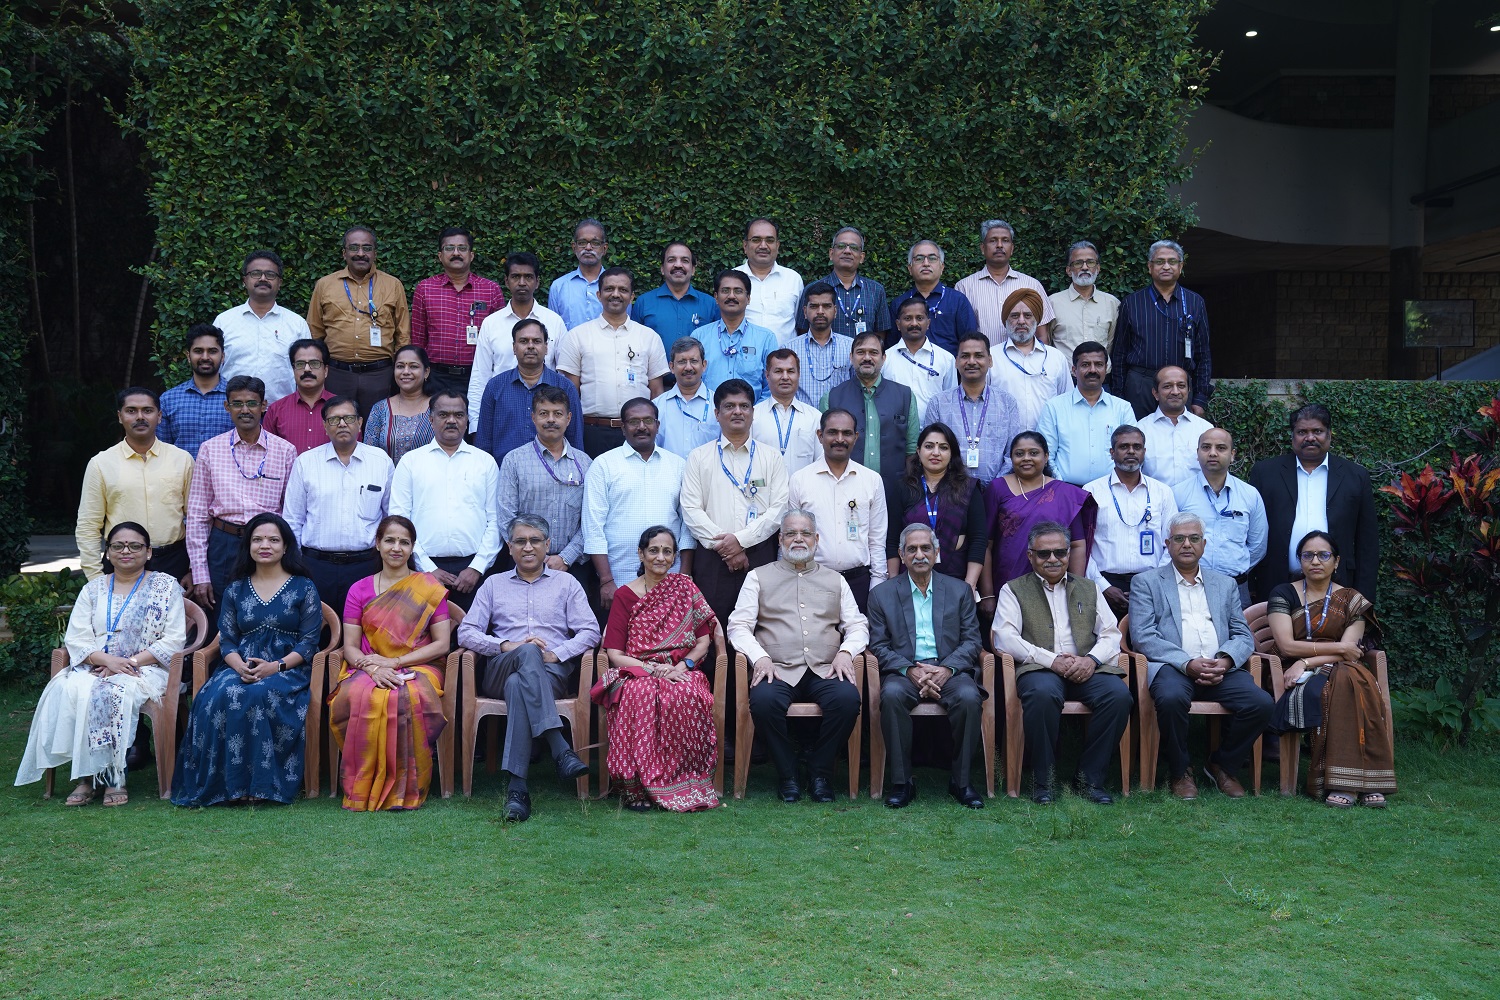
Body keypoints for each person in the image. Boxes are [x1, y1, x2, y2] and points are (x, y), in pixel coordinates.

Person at [15, 522, 187, 806]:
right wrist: (107, 660)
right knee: (71, 690)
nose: (126, 551)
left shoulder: (166, 586)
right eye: (117, 546)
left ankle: (112, 778)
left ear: (149, 552)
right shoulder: (93, 590)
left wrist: (125, 663)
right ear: (108, 553)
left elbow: (173, 640)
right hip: (95, 665)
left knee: (114, 691)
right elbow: (78, 638)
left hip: (145, 668)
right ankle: (87, 777)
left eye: (135, 546)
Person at [171, 513, 322, 807]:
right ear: (249, 546)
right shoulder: (236, 588)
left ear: (286, 546)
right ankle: (228, 785)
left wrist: (274, 667)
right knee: (217, 695)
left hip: (288, 667)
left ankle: (262, 785)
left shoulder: (304, 587)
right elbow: (226, 639)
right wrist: (238, 665)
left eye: (273, 540)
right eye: (258, 539)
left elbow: (309, 643)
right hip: (240, 664)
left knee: (258, 692)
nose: (265, 545)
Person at [457, 515, 600, 822]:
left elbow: (590, 631)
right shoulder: (493, 584)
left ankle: (517, 790)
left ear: (547, 545)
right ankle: (559, 746)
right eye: (520, 541)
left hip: (549, 673)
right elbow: (466, 633)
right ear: (509, 548)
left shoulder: (567, 583)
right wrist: (507, 645)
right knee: (525, 652)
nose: (528, 547)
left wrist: (557, 653)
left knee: (518, 685)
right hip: (501, 666)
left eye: (535, 540)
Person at [728, 510, 868, 802]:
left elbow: (857, 625)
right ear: (780, 540)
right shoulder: (758, 577)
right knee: (764, 702)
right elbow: (738, 626)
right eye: (791, 533)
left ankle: (820, 773)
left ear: (816, 538)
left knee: (847, 700)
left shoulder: (835, 580)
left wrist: (845, 652)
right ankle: (788, 774)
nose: (798, 539)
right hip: (776, 669)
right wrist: (760, 657)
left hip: (825, 669)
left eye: (805, 533)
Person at [1129, 512, 1270, 800]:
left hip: (1220, 667)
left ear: (1204, 545)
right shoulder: (1146, 582)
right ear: (1167, 544)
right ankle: (1180, 771)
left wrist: (1227, 660)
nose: (1186, 544)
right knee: (1169, 698)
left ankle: (1222, 765)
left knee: (1261, 703)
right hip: (1173, 667)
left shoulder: (1225, 584)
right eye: (1179, 539)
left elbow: (1243, 635)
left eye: (1194, 539)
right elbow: (1143, 636)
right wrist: (1187, 663)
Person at [993, 521, 1132, 805]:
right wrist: (1051, 660)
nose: (1053, 559)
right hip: (1041, 668)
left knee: (1118, 696)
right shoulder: (1013, 590)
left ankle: (1088, 780)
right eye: (1044, 554)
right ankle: (1043, 782)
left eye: (1060, 552)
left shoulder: (1089, 588)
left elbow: (1111, 634)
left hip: (1086, 667)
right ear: (1031, 556)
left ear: (1069, 554)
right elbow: (1004, 638)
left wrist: (1091, 660)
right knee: (1042, 695)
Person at [329, 515, 453, 811]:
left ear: (412, 548)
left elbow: (442, 644)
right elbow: (349, 646)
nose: (396, 548)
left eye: (404, 542)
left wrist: (394, 661)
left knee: (405, 695)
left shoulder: (428, 587)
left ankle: (405, 789)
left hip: (420, 665)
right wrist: (374, 668)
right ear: (378, 544)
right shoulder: (359, 589)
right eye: (390, 540)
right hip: (367, 665)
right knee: (359, 694)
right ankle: (362, 787)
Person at [1267, 530, 1394, 808]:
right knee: (1348, 678)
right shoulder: (1283, 593)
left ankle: (1344, 783)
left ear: (1336, 562)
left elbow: (1350, 649)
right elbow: (1287, 646)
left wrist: (1308, 661)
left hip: (1332, 667)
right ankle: (1357, 783)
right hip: (1291, 671)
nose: (1315, 561)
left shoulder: (1351, 600)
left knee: (1346, 676)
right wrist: (1308, 659)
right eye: (1307, 555)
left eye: (1323, 555)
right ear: (1299, 561)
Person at [599, 525, 720, 812]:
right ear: (641, 554)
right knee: (640, 695)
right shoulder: (625, 596)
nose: (660, 557)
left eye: (667, 551)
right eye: (653, 550)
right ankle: (634, 786)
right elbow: (615, 653)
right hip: (635, 669)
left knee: (688, 692)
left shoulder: (685, 588)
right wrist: (652, 669)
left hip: (681, 668)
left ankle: (681, 778)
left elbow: (703, 641)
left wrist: (682, 665)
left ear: (675, 556)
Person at [868, 523, 985, 809]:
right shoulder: (881, 594)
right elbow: (878, 645)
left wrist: (946, 670)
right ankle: (901, 782)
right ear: (901, 555)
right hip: (904, 671)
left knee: (970, 697)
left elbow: (972, 641)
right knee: (892, 696)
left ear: (937, 553)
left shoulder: (959, 591)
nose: (919, 555)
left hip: (950, 670)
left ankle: (961, 781)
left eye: (925, 548)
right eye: (912, 549)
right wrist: (911, 670)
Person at [681, 379, 790, 625]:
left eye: (744, 406)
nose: (737, 411)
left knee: (760, 627)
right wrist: (726, 547)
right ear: (717, 414)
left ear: (753, 412)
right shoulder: (699, 457)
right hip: (712, 558)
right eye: (729, 406)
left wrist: (740, 541)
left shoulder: (771, 457)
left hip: (760, 553)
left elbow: (780, 508)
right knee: (712, 629)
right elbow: (690, 509)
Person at [185, 375, 297, 609]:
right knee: (221, 615)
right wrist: (200, 573)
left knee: (267, 612)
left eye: (252, 403)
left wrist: (287, 558)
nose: (245, 410)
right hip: (224, 545)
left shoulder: (285, 451)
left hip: (269, 545)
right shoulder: (210, 449)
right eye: (237, 403)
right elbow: (196, 515)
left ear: (263, 405)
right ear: (227, 407)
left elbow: (291, 512)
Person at [1249, 404, 1379, 604]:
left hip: (1338, 586)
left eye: (1317, 431)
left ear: (1329, 435)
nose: (1310, 437)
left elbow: (1367, 543)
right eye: (1302, 432)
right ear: (1292, 436)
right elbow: (1251, 532)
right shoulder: (1265, 473)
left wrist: (1363, 598)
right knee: (1277, 636)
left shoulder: (1355, 476)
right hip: (1277, 584)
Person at [282, 395, 394, 616]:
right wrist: (294, 567)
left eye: (348, 418)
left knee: (367, 631)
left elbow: (392, 518)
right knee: (318, 633)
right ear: (325, 426)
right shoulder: (306, 462)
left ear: (360, 423)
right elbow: (292, 521)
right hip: (316, 566)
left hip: (367, 566)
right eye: (334, 420)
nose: (342, 424)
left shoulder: (380, 461)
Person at [389, 391, 500, 612]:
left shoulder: (485, 463)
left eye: (458, 415)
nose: (451, 420)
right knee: (423, 642)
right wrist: (427, 568)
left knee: (472, 641)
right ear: (431, 419)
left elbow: (496, 521)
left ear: (467, 420)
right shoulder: (411, 462)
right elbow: (399, 522)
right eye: (443, 415)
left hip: (473, 572)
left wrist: (477, 568)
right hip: (421, 569)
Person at [583, 398, 695, 611]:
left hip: (670, 578)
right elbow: (593, 527)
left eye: (648, 420)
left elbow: (687, 526)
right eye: (634, 422)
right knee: (619, 642)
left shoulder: (678, 466)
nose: (642, 427)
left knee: (669, 643)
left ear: (657, 425)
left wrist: (684, 577)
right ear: (622, 427)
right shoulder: (603, 465)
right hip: (619, 578)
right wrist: (606, 580)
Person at [76, 387, 194, 581]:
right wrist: (95, 577)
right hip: (121, 561)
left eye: (147, 410)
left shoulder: (182, 460)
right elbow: (88, 525)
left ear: (160, 416)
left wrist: (192, 569)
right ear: (120, 416)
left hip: (174, 562)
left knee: (173, 613)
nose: (140, 417)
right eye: (131, 411)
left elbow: (197, 520)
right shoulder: (101, 464)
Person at [979, 432, 1097, 614]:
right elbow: (985, 545)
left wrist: (1073, 590)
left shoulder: (1064, 493)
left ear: (1046, 456)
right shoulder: (998, 488)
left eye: (1034, 453)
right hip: (1006, 583)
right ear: (1011, 458)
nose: (1026, 458)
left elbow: (1076, 544)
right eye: (1019, 454)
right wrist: (987, 595)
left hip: (1055, 585)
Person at [556, 266, 669, 456]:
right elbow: (570, 393)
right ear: (599, 294)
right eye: (609, 289)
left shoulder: (649, 337)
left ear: (632, 296)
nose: (615, 294)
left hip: (638, 432)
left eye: (623, 290)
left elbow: (657, 391)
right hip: (591, 431)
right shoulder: (577, 336)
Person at [786, 409, 890, 611]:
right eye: (832, 432)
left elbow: (877, 540)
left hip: (859, 582)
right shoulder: (800, 480)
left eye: (847, 433)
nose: (840, 439)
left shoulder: (871, 480)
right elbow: (790, 538)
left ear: (856, 437)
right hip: (811, 581)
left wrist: (877, 585)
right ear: (820, 435)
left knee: (859, 641)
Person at [305, 225, 410, 414]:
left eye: (366, 248)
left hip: (380, 375)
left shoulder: (393, 285)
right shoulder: (325, 285)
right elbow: (315, 332)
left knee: (377, 430)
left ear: (375, 253)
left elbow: (403, 335)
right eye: (354, 248)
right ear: (344, 253)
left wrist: (400, 371)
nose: (360, 253)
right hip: (337, 375)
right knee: (338, 426)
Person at [821, 330, 921, 525]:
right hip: (844, 491)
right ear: (851, 357)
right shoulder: (832, 397)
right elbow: (823, 451)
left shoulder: (905, 396)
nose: (867, 358)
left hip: (894, 491)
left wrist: (909, 490)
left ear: (883, 358)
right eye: (860, 352)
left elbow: (912, 451)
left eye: (873, 353)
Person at [496, 385, 593, 583]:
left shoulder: (586, 463)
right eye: (544, 413)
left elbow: (592, 520)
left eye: (557, 413)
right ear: (533, 418)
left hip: (572, 567)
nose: (550, 419)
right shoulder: (514, 460)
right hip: (524, 565)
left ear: (568, 418)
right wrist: (529, 555)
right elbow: (506, 516)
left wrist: (566, 557)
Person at [1109, 239, 1213, 419]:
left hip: (1179, 386)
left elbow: (1203, 354)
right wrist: (1119, 395)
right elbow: (1119, 353)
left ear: (1180, 267)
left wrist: (1200, 398)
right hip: (1140, 385)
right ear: (1150, 267)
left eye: (1172, 262)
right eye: (1160, 262)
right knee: (1136, 439)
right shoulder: (1132, 303)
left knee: (1179, 441)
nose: (1166, 266)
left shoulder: (1195, 302)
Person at [1084, 425, 1178, 618]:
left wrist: (1155, 583)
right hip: (1104, 586)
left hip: (1153, 585)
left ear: (1144, 452)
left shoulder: (1162, 492)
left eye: (1137, 446)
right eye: (1124, 446)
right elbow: (1082, 546)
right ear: (1112, 452)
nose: (1131, 451)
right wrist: (1103, 587)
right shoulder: (1091, 491)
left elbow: (1173, 542)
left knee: (1149, 646)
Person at [1172, 428, 1268, 609]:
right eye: (1206, 447)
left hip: (1236, 588)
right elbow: (1168, 541)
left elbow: (1258, 545)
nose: (1213, 453)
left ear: (1232, 455)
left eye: (1221, 448)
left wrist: (1235, 567)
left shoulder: (1249, 494)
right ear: (1197, 453)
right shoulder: (1178, 493)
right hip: (1188, 586)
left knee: (1238, 636)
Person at [468, 251, 568, 424]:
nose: (522, 283)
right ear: (507, 281)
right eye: (516, 277)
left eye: (528, 277)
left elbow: (563, 375)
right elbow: (480, 377)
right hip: (502, 411)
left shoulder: (554, 322)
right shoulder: (491, 323)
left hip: (547, 414)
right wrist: (476, 426)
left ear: (537, 282)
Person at [408, 226, 506, 398]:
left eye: (462, 248)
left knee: (474, 423)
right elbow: (418, 339)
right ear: (440, 256)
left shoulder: (491, 290)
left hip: (477, 376)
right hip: (436, 376)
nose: (456, 253)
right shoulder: (425, 289)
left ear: (471, 255)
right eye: (449, 248)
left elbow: (500, 339)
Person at [475, 317, 585, 461]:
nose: (531, 346)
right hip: (504, 473)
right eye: (524, 341)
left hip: (554, 474)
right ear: (514, 348)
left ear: (546, 348)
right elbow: (484, 441)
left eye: (537, 341)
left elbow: (575, 440)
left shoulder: (565, 387)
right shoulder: (495, 386)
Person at [892, 423, 987, 589]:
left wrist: (970, 585)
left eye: (943, 447)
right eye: (929, 446)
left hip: (956, 579)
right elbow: (891, 540)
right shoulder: (903, 488)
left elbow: (978, 540)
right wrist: (893, 583)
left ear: (952, 454)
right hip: (909, 579)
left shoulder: (968, 488)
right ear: (918, 450)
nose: (936, 453)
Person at [923, 332, 1022, 487]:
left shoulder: (1007, 402)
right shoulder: (938, 403)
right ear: (956, 362)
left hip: (997, 493)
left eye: (978, 355)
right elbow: (930, 450)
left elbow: (1013, 452)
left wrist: (996, 486)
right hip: (950, 491)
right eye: (965, 356)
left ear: (990, 361)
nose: (971, 361)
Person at [214, 249, 310, 404]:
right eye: (256, 273)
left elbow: (306, 370)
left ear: (280, 283)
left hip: (281, 412)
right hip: (233, 411)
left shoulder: (297, 324)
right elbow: (214, 369)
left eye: (270, 274)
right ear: (244, 280)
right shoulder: (224, 321)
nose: (263, 278)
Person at [1036, 340, 1136, 486]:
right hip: (1066, 490)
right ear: (1073, 370)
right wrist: (1061, 486)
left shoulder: (1123, 408)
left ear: (1106, 369)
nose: (1092, 370)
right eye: (1085, 365)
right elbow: (1046, 455)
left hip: (1114, 490)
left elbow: (1132, 451)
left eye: (1099, 364)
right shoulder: (1054, 407)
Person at [955, 219, 1055, 342]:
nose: (999, 245)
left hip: (1025, 360)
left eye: (1005, 240)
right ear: (982, 248)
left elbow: (1042, 334)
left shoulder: (1032, 285)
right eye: (993, 240)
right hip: (982, 360)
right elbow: (960, 334)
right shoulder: (964, 287)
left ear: (1012, 248)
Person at [987, 287, 1071, 433]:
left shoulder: (1056, 358)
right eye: (1014, 316)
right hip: (1002, 442)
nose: (1021, 321)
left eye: (1027, 315)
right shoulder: (990, 357)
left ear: (1037, 320)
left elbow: (1067, 404)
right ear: (1005, 320)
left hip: (1047, 442)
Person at [692, 270, 779, 400]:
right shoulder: (699, 336)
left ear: (748, 298)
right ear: (716, 297)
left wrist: (753, 412)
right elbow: (690, 379)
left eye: (738, 291)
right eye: (725, 290)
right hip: (707, 415)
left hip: (753, 416)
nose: (731, 296)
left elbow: (771, 386)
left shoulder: (766, 338)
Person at [793, 226, 890, 341]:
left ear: (862, 257)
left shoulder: (876, 290)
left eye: (853, 247)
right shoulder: (812, 289)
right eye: (841, 246)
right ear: (831, 253)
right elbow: (803, 330)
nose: (847, 251)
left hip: (864, 358)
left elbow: (880, 333)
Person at [888, 239, 979, 355]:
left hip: (949, 371)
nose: (926, 263)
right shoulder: (899, 303)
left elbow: (970, 343)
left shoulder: (958, 301)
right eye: (919, 259)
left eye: (932, 258)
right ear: (910, 269)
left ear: (942, 267)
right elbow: (891, 346)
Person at [158, 324, 233, 460]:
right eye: (198, 351)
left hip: (225, 480)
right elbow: (161, 450)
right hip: (180, 479)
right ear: (188, 356)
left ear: (222, 356)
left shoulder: (236, 399)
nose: (205, 357)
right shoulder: (169, 400)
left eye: (212, 351)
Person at [631, 241, 720, 356]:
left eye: (685, 260)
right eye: (671, 260)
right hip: (655, 374)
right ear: (662, 268)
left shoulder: (710, 304)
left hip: (700, 374)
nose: (678, 265)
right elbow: (634, 344)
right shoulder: (644, 302)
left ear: (693, 269)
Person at [751, 348, 821, 476]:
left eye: (790, 371)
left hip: (804, 494)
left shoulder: (815, 418)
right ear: (767, 375)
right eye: (778, 371)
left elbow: (821, 461)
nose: (785, 377)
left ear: (798, 374)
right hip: (764, 493)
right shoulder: (753, 416)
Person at [1139, 366, 1213, 487]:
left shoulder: (1205, 429)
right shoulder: (1141, 429)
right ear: (1155, 393)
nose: (1175, 392)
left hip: (1197, 503)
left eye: (1181, 386)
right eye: (1167, 386)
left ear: (1188, 390)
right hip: (1154, 503)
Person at [1047, 241, 1120, 364]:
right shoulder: (1052, 303)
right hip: (1065, 379)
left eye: (1090, 262)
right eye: (1078, 263)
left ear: (1098, 268)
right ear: (1069, 270)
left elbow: (1112, 344)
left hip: (1102, 379)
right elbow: (1047, 342)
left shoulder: (1112, 304)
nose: (1085, 267)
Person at [882, 298, 957, 415]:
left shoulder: (946, 359)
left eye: (919, 318)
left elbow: (951, 401)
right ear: (898, 324)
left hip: (934, 430)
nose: (914, 323)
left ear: (928, 323)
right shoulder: (885, 359)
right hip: (896, 431)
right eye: (907, 318)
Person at [363, 344, 435, 465]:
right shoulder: (380, 409)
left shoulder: (438, 408)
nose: (406, 372)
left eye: (413, 366)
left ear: (426, 372)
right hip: (388, 482)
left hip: (431, 481)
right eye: (400, 366)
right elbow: (369, 455)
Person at [735, 217, 803, 344]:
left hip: (784, 361)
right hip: (740, 360)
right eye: (756, 240)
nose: (763, 246)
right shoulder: (733, 279)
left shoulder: (793, 279)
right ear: (745, 245)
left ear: (777, 245)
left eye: (770, 240)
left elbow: (801, 325)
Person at [262, 339, 335, 454]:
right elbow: (267, 454)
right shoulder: (276, 410)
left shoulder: (342, 409)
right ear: (293, 369)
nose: (307, 369)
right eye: (300, 364)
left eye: (314, 364)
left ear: (325, 370)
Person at [654, 337, 719, 458]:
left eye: (694, 361)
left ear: (704, 365)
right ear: (672, 367)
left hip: (708, 476)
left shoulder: (718, 404)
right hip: (669, 475)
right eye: (682, 362)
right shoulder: (657, 406)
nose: (688, 367)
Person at [789, 282, 853, 406]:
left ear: (835, 311)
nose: (820, 311)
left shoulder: (850, 347)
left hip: (840, 420)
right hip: (802, 421)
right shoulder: (790, 349)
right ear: (805, 311)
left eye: (826, 306)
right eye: (813, 306)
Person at [546, 218, 608, 330]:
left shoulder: (617, 287)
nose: (588, 248)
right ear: (574, 247)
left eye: (595, 243)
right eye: (582, 243)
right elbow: (553, 331)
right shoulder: (559, 286)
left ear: (604, 248)